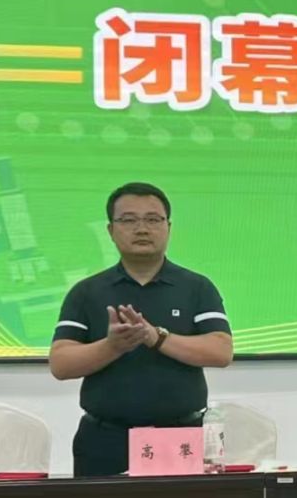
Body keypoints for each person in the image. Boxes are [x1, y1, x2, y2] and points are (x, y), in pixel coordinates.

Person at [50, 182, 234, 478]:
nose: (142, 229)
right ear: (111, 230)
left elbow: (221, 351)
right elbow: (61, 364)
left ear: (168, 227)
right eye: (128, 220)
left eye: (152, 219)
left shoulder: (196, 287)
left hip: (180, 437)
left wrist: (156, 337)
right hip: (105, 440)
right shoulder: (86, 292)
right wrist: (112, 346)